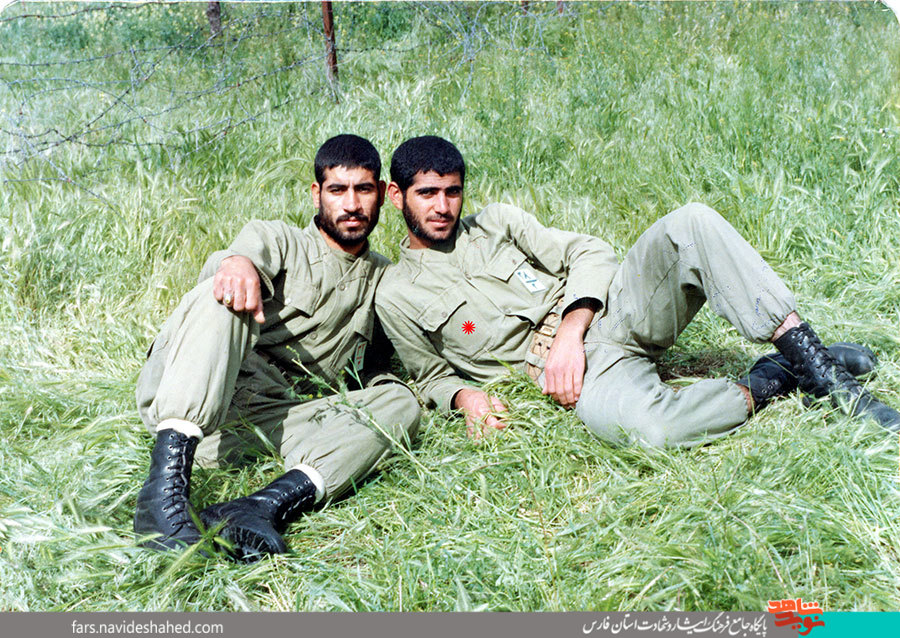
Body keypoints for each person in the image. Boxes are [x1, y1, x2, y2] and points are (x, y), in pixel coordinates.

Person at [374, 135, 899, 448]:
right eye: (427, 194)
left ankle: (823, 371)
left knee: (691, 221)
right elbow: (432, 376)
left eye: (452, 192)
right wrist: (467, 398)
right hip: (577, 375)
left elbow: (591, 252)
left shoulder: (496, 223)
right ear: (397, 196)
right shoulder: (395, 294)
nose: (442, 207)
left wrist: (572, 330)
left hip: (609, 314)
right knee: (653, 431)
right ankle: (776, 376)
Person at [133, 134, 420, 561]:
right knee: (225, 292)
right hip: (197, 394)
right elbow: (239, 258)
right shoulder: (280, 239)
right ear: (317, 194)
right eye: (337, 190)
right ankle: (162, 498)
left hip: (267, 421)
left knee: (401, 402)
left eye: (363, 189)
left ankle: (260, 506)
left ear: (381, 193)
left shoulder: (384, 278)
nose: (351, 204)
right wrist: (238, 263)